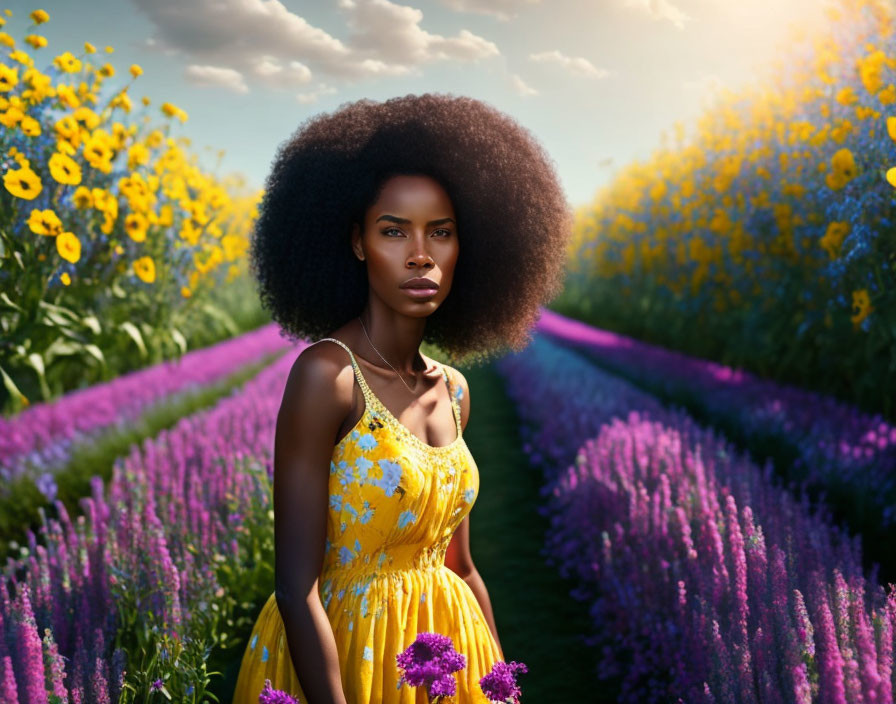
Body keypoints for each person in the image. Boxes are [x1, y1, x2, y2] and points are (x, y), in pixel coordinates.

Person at [232, 92, 572, 703]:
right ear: (358, 242)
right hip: (348, 656)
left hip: (449, 658)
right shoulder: (327, 376)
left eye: (440, 233)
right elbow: (294, 587)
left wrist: (500, 689)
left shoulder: (455, 390)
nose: (421, 255)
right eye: (394, 231)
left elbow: (460, 567)